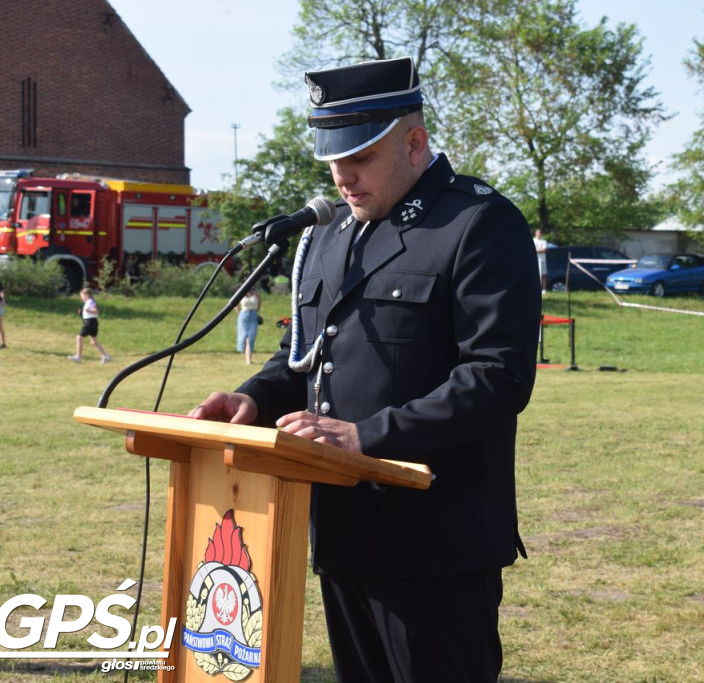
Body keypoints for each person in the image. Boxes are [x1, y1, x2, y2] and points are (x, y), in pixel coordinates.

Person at [190, 57, 541, 682]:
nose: (341, 177)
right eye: (333, 159)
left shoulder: (477, 224)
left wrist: (364, 437)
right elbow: (301, 356)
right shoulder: (332, 234)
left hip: (438, 542)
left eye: (359, 158)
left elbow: (499, 375)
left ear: (415, 143)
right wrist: (253, 401)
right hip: (343, 532)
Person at [68, 288, 111, 364]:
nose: (81, 298)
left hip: (89, 322)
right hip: (92, 322)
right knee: (93, 341)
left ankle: (78, 357)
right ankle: (105, 356)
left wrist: (88, 311)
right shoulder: (89, 302)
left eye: (82, 296)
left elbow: (95, 310)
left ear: (86, 295)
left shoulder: (90, 301)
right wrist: (81, 313)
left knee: (79, 338)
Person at [236, 287, 261, 364]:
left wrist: (256, 312)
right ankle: (247, 358)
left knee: (251, 337)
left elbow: (259, 302)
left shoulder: (256, 293)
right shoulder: (241, 293)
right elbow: (236, 304)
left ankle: (248, 359)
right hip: (244, 314)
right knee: (244, 337)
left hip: (253, 314)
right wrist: (239, 312)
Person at [533, 229, 548, 293]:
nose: (539, 234)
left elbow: (544, 250)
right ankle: (536, 288)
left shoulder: (543, 241)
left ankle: (543, 289)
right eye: (538, 233)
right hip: (534, 260)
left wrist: (536, 250)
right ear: (535, 234)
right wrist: (539, 250)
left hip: (542, 260)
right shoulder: (533, 240)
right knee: (535, 274)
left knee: (543, 275)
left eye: (540, 233)